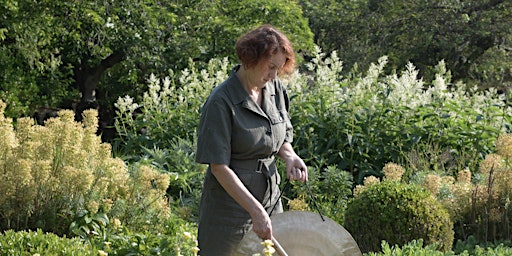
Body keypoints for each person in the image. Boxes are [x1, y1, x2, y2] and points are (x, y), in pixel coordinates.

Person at [195, 24, 309, 256]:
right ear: (250, 59)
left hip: (270, 200)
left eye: (278, 68)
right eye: (270, 67)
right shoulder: (221, 101)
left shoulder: (275, 89)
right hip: (229, 211)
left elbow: (281, 137)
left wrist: (289, 156)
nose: (274, 75)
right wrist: (255, 211)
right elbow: (219, 167)